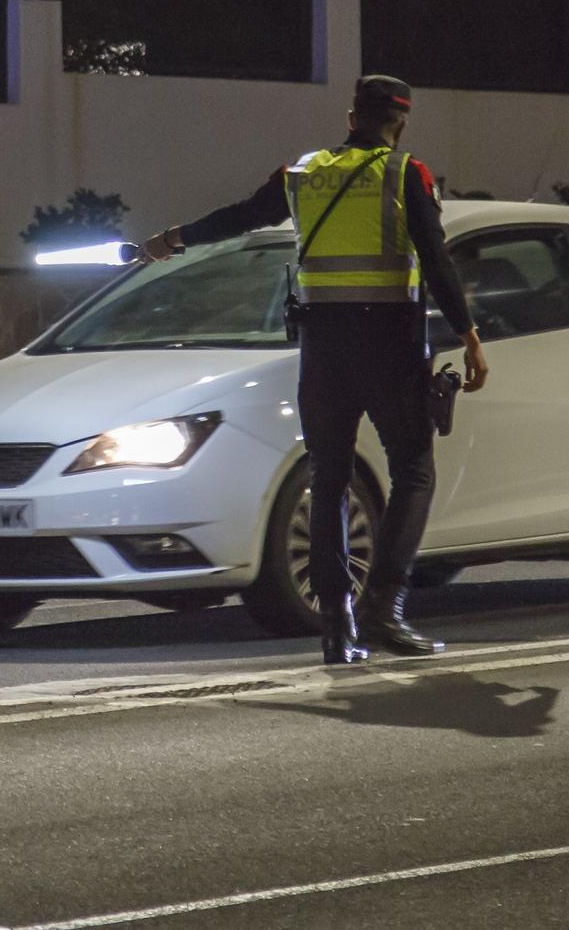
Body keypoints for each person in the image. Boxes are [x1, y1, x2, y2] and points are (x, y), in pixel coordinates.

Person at [134, 75, 488, 664]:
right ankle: (383, 609)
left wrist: (171, 239)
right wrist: (469, 334)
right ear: (400, 122)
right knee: (413, 470)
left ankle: (336, 625)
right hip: (389, 342)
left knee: (329, 477)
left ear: (352, 116)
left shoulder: (302, 172)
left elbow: (243, 216)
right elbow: (435, 257)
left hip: (322, 343)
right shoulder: (407, 174)